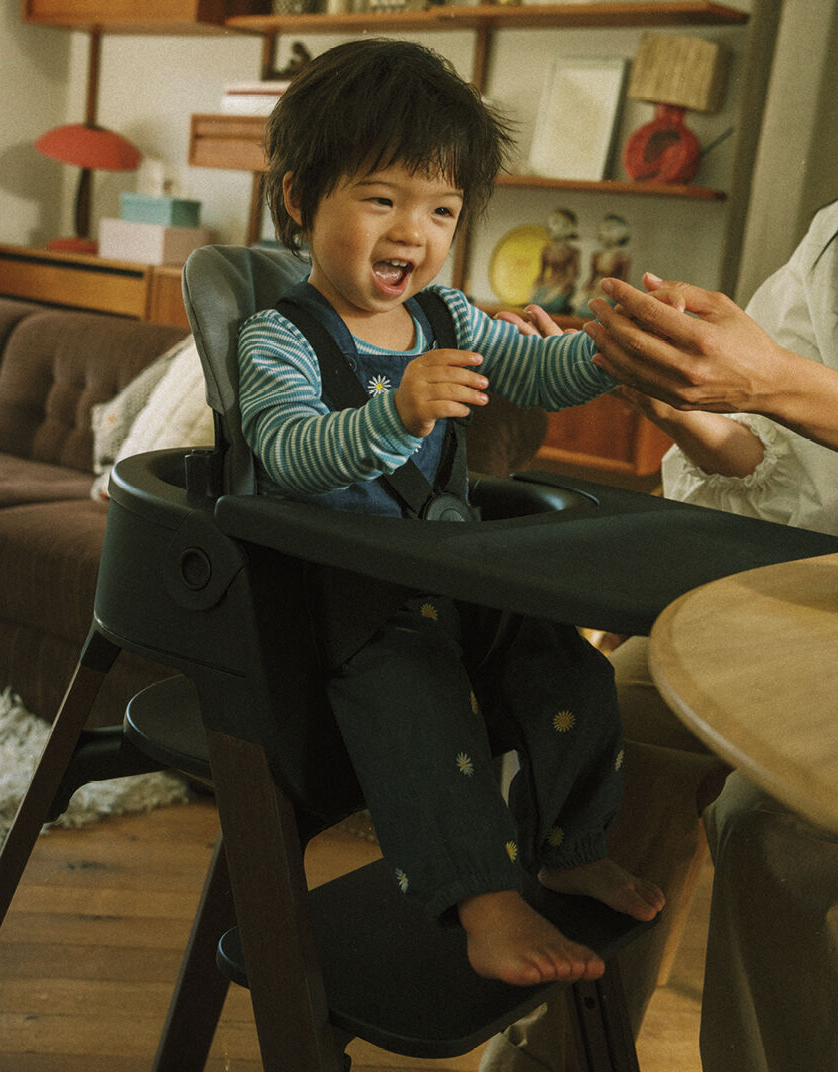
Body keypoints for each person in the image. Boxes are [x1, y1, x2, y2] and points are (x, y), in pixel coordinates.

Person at [237, 37, 664, 989]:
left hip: (456, 581)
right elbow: (288, 453)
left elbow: (536, 372)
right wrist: (392, 413)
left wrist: (609, 351)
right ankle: (485, 901)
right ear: (301, 198)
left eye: (441, 209)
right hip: (351, 610)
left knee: (575, 669)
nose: (413, 232)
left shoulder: (450, 316)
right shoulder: (281, 337)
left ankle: (570, 845)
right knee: (420, 707)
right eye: (381, 200)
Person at [483, 201, 838, 1071]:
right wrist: (680, 403)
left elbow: (783, 389)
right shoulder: (833, 235)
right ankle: (552, 1060)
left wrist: (777, 383)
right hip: (810, 581)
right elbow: (785, 466)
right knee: (611, 727)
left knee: (772, 825)